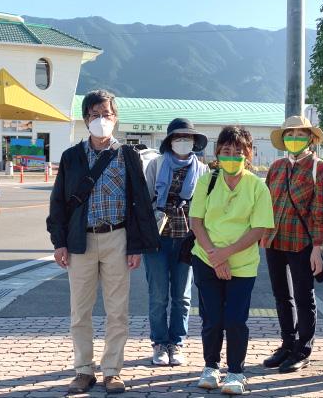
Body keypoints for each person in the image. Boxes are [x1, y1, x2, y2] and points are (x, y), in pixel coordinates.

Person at [46, 90, 159, 394]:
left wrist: (136, 246)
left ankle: (112, 370)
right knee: (80, 311)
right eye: (94, 115)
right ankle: (83, 370)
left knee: (117, 310)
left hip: (117, 238)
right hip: (80, 240)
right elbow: (58, 202)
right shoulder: (72, 157)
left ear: (115, 117)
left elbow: (139, 203)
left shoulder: (129, 156)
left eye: (106, 114)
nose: (101, 120)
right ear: (85, 120)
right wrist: (59, 241)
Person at [188, 126, 274, 395]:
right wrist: (216, 257)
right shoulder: (207, 180)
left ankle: (236, 371)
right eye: (227, 151)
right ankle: (211, 367)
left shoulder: (257, 187)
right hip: (206, 258)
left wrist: (226, 254)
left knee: (236, 319)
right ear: (217, 153)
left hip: (242, 265)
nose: (233, 156)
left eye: (239, 152)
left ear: (249, 154)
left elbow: (259, 229)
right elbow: (196, 222)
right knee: (212, 318)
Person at [260, 115, 323, 373]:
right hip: (274, 239)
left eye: (300, 135)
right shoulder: (276, 167)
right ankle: (287, 344)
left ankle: (303, 349)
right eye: (289, 135)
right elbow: (266, 205)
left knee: (304, 297)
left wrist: (317, 248)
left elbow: (322, 212)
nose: (294, 139)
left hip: (303, 242)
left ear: (310, 139)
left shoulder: (320, 169)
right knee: (282, 295)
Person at [143, 118, 209, 366]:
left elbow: (204, 207)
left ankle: (177, 342)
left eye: (188, 138)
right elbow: (144, 199)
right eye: (178, 137)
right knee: (158, 294)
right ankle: (159, 342)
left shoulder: (202, 171)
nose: (183, 142)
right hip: (157, 239)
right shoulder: (156, 165)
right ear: (170, 141)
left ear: (194, 142)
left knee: (182, 296)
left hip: (187, 239)